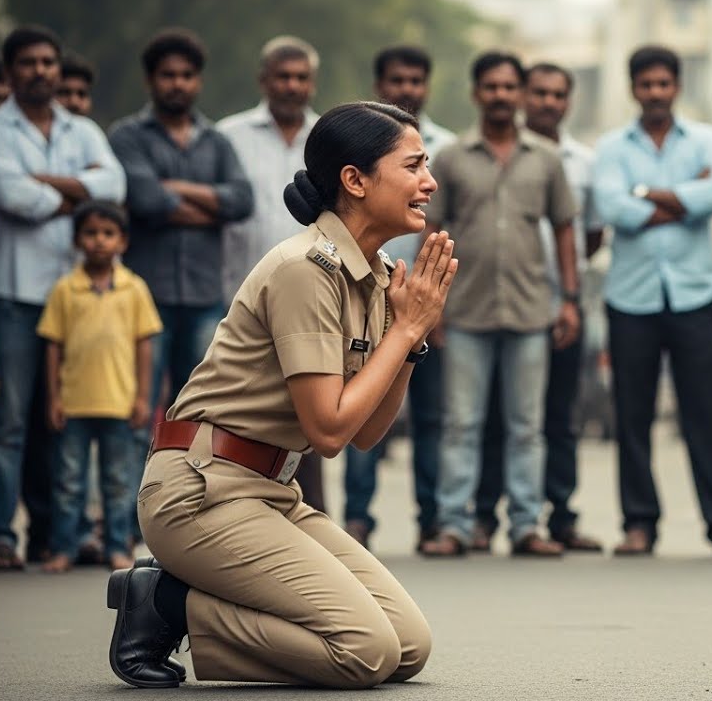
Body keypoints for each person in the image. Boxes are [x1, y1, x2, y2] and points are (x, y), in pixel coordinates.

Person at [106, 101, 453, 689]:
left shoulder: (372, 274)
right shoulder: (304, 269)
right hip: (200, 492)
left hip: (271, 491)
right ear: (355, 180)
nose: (430, 181)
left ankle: (179, 599)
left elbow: (366, 433)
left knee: (408, 647)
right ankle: (166, 603)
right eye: (414, 165)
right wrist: (406, 332)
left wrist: (409, 341)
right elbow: (329, 431)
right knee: (366, 652)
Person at [592, 45, 712, 557]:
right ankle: (639, 524)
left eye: (663, 83)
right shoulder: (611, 147)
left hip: (694, 295)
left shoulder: (707, 140)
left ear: (677, 86)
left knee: (708, 413)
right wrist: (684, 198)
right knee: (632, 415)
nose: (655, 92)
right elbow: (611, 207)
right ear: (633, 89)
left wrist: (643, 194)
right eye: (646, 84)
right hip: (630, 298)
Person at [417, 51, 578, 558]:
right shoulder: (450, 158)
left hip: (531, 311)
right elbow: (430, 230)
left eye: (510, 87)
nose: (501, 95)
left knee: (526, 427)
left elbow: (566, 228)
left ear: (521, 94)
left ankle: (528, 526)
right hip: (465, 311)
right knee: (460, 424)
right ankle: (453, 525)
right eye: (492, 86)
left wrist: (570, 299)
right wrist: (430, 304)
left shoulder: (545, 158)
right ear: (476, 93)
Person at [0, 26, 126, 571]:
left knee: (65, 419)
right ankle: (1, 533)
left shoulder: (83, 129)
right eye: (29, 62)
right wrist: (79, 189)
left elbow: (114, 188)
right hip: (18, 293)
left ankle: (58, 535)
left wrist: (44, 184)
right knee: (10, 421)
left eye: (48, 61)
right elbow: (12, 196)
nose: (41, 71)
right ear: (11, 70)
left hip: (79, 297)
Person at [473, 61, 605, 553]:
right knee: (494, 414)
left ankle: (560, 517)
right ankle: (484, 516)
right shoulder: (499, 153)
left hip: (560, 304)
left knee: (559, 416)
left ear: (568, 101)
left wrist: (566, 292)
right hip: (499, 304)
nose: (549, 102)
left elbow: (590, 234)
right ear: (524, 97)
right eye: (540, 93)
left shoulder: (584, 162)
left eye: (558, 94)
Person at [341, 44, 456, 551]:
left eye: (415, 80)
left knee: (430, 415)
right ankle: (357, 518)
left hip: (427, 297)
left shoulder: (449, 149)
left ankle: (431, 517)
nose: (407, 88)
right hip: (367, 293)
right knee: (358, 406)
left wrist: (435, 305)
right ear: (379, 85)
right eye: (397, 80)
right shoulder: (359, 146)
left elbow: (455, 229)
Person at [108, 28, 254, 415]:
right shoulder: (127, 136)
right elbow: (146, 199)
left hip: (205, 297)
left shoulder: (217, 141)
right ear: (150, 79)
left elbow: (242, 200)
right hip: (144, 295)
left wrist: (176, 188)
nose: (178, 83)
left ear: (198, 81)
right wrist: (212, 209)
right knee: (137, 410)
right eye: (168, 75)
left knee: (196, 410)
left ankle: (183, 462)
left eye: (187, 75)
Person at [217, 36, 326, 509]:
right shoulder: (229, 136)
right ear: (264, 81)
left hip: (314, 299)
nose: (291, 86)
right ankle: (238, 509)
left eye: (301, 78)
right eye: (283, 77)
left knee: (309, 412)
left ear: (312, 83)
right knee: (240, 412)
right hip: (241, 297)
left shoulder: (330, 137)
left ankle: (312, 516)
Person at [36, 201, 162, 573]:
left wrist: (143, 397)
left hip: (119, 403)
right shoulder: (65, 290)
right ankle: (65, 547)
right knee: (68, 482)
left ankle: (117, 546)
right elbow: (53, 346)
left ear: (122, 241)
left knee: (119, 481)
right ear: (77, 240)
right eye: (90, 233)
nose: (99, 241)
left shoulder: (134, 288)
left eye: (108, 234)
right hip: (74, 403)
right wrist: (54, 398)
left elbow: (144, 345)